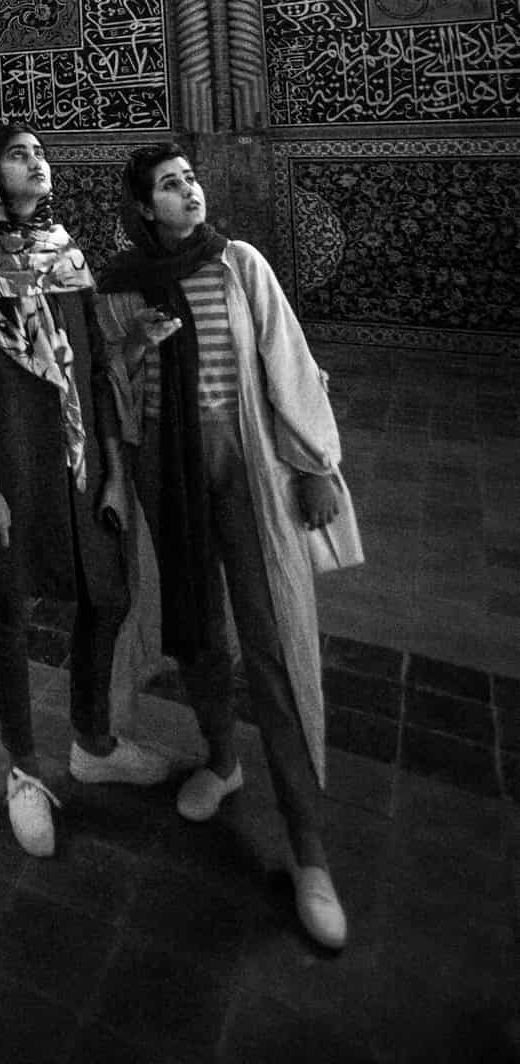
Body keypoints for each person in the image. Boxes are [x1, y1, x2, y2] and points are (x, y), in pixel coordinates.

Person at [96, 141, 359, 951]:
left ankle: (308, 854)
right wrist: (135, 345)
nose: (189, 192)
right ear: (145, 208)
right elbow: (107, 388)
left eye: (190, 180)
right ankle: (219, 759)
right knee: (198, 635)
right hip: (168, 488)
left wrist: (316, 464)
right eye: (171, 186)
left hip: (246, 485)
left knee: (276, 648)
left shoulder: (239, 266)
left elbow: (289, 363)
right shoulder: (118, 287)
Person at [0, 119, 170, 859]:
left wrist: (112, 467)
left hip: (77, 460)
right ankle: (24, 771)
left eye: (39, 153)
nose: (36, 163)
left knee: (107, 594)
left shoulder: (66, 258)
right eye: (18, 155)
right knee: (10, 604)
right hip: (10, 464)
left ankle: (92, 741)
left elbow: (91, 365)